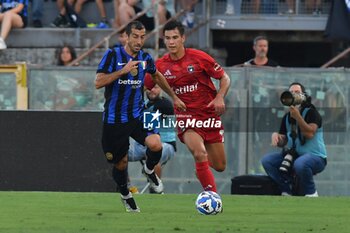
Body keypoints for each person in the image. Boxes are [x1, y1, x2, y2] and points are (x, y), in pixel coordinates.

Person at [95, 21, 185, 212]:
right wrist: (122, 71)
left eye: (142, 37)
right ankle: (125, 194)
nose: (138, 40)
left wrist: (174, 97)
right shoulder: (113, 55)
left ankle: (149, 170)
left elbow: (157, 76)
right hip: (115, 119)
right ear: (126, 37)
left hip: (140, 112)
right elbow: (98, 82)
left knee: (156, 144)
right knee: (121, 163)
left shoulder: (146, 57)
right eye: (135, 36)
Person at [145, 20, 231, 193]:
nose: (171, 42)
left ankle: (202, 170)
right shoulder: (160, 65)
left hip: (209, 116)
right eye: (167, 38)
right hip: (186, 118)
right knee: (200, 153)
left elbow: (225, 78)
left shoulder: (199, 57)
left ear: (183, 38)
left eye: (175, 37)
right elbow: (144, 84)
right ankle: (212, 198)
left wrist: (220, 97)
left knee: (220, 166)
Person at [261, 82, 327, 197]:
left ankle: (311, 193)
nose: (293, 94)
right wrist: (276, 137)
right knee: (268, 161)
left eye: (297, 92)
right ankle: (287, 189)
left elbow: (309, 134)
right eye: (291, 92)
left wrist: (298, 117)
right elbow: (283, 141)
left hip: (316, 157)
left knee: (300, 163)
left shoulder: (312, 112)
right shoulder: (287, 116)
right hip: (294, 157)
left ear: (303, 95)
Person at [128, 84, 176, 193]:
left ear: (161, 89)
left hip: (166, 144)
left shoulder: (165, 104)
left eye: (155, 87)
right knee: (119, 154)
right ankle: (128, 188)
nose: (152, 90)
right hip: (141, 145)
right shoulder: (144, 104)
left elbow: (148, 126)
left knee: (154, 149)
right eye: (149, 87)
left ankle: (154, 189)